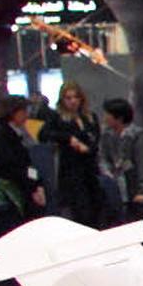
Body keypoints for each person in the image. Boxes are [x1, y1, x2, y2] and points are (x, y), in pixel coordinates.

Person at [36, 80, 107, 227]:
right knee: (81, 211)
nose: (73, 101)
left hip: (91, 169)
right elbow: (43, 134)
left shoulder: (90, 117)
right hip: (71, 171)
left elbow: (96, 139)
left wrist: (87, 148)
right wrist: (68, 139)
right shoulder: (58, 118)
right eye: (68, 98)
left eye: (75, 97)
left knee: (97, 209)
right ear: (63, 100)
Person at [0, 94, 46, 233]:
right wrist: (33, 186)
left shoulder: (16, 133)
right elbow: (14, 166)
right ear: (13, 112)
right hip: (16, 192)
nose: (26, 115)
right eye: (23, 111)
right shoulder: (1, 135)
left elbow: (27, 164)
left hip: (26, 188)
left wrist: (37, 183)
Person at [98, 97, 143, 225]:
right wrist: (108, 173)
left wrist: (142, 191)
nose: (105, 118)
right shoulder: (106, 135)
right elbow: (103, 157)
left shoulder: (138, 135)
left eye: (108, 115)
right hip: (115, 187)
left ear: (118, 118)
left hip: (133, 186)